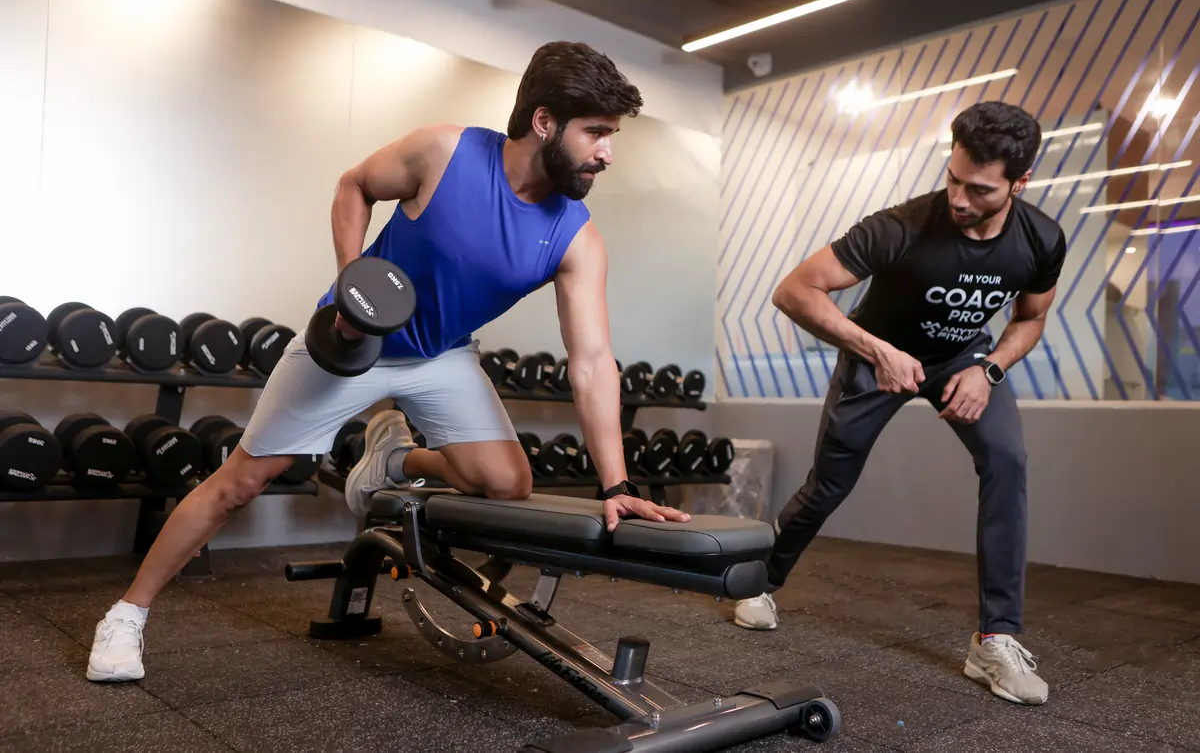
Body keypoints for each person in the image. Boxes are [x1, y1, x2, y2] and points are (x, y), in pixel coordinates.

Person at [86, 41, 690, 683]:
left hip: (441, 355)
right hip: (355, 344)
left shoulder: (575, 235)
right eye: (596, 132)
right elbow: (355, 186)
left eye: (612, 135)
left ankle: (391, 460)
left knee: (507, 483)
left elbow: (593, 362)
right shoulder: (446, 152)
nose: (607, 153)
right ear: (544, 122)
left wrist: (618, 487)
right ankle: (126, 614)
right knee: (240, 483)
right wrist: (355, 287)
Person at [733, 101, 1066, 706]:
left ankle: (995, 639)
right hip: (875, 355)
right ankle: (759, 582)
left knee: (1008, 462)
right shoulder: (900, 227)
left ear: (1020, 183)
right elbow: (794, 291)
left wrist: (989, 370)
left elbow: (1032, 317)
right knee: (829, 486)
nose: (960, 199)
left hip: (965, 361)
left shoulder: (1040, 238)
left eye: (981, 189)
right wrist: (876, 349)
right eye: (953, 178)